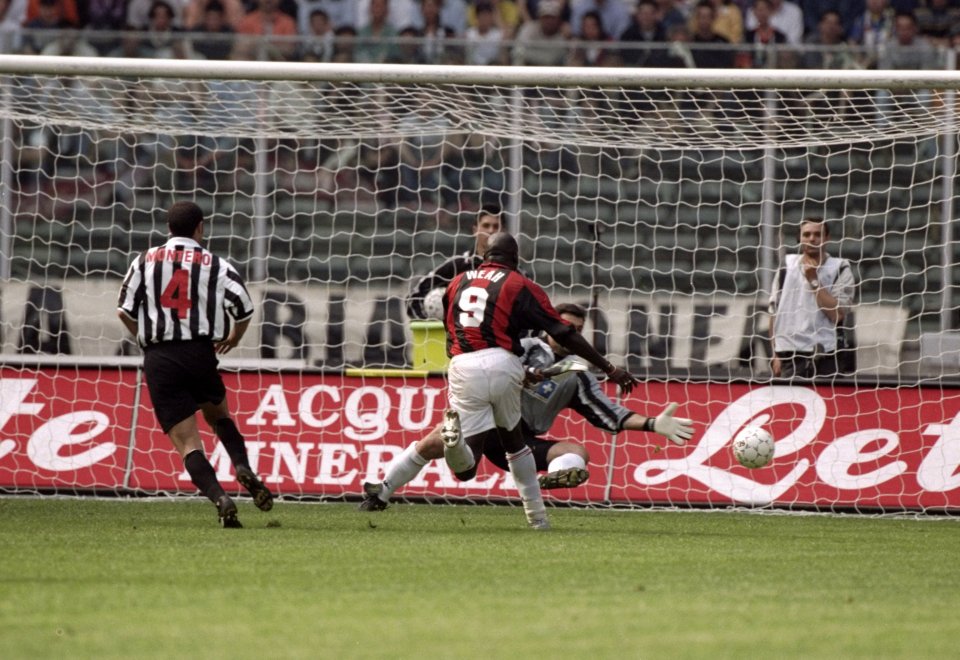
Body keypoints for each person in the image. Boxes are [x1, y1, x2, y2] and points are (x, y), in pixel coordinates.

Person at [359, 302, 693, 511]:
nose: (568, 333)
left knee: (578, 450)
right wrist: (523, 372)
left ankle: (559, 476)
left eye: (576, 330)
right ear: (551, 326)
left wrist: (651, 424)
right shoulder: (522, 347)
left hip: (522, 439)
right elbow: (494, 365)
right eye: (565, 326)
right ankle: (381, 492)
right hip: (488, 420)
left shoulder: (577, 374)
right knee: (433, 443)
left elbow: (608, 415)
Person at [434, 232, 639, 530]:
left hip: (463, 364)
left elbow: (448, 326)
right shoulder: (520, 285)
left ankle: (453, 445)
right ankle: (537, 518)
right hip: (504, 363)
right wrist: (608, 368)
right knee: (516, 446)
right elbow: (564, 332)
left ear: (484, 257)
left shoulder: (456, 282)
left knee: (465, 469)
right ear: (516, 260)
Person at [117, 201, 274, 528]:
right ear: (200, 227)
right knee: (219, 416)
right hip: (200, 352)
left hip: (160, 358)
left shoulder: (145, 260)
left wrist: (144, 338)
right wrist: (234, 336)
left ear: (168, 227)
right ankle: (242, 466)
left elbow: (124, 310)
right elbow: (244, 308)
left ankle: (220, 498)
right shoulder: (216, 264)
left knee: (188, 442)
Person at [769, 218, 857, 379]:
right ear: (799, 238)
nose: (812, 239)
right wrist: (775, 354)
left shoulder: (840, 268)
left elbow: (837, 314)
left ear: (827, 238)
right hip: (789, 357)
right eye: (807, 234)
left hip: (828, 355)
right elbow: (774, 312)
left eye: (818, 234)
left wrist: (814, 280)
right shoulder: (786, 267)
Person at [406, 205, 502, 320]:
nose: (491, 231)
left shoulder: (514, 271)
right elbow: (413, 298)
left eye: (496, 226)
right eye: (486, 226)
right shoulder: (457, 266)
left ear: (503, 231)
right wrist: (429, 325)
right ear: (475, 230)